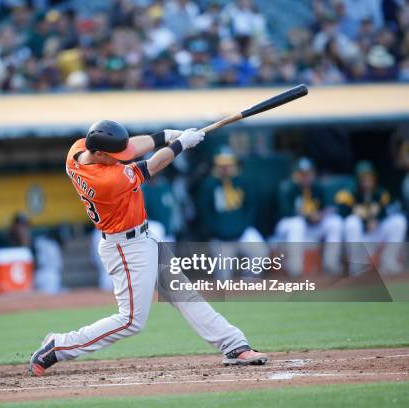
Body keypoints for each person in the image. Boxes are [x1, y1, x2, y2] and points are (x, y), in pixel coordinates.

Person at [29, 121, 268, 377]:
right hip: (126, 247)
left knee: (184, 294)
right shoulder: (107, 180)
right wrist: (180, 145)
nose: (121, 159)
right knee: (131, 321)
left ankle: (234, 345)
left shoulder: (77, 151)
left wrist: (165, 135)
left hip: (142, 238)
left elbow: (131, 148)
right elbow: (152, 165)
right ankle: (59, 347)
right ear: (99, 154)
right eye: (114, 157)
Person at [196, 146, 268, 279]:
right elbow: (205, 212)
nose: (225, 168)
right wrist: (216, 230)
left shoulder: (243, 182)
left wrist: (243, 226)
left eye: (228, 165)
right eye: (222, 165)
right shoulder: (209, 185)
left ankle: (248, 282)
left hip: (242, 233)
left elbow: (251, 208)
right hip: (220, 238)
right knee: (223, 279)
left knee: (261, 253)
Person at [275, 158, 343, 276]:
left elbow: (329, 208)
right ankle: (295, 268)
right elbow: (286, 212)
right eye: (302, 174)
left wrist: (320, 215)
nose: (306, 177)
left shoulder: (318, 188)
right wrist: (308, 217)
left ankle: (331, 264)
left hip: (311, 227)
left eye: (308, 173)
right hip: (288, 228)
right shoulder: (288, 188)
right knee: (297, 223)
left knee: (335, 222)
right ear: (296, 174)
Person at [336, 161, 407, 275]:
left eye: (369, 177)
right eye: (364, 178)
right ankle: (357, 266)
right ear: (358, 179)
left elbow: (386, 212)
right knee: (351, 222)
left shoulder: (380, 193)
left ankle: (389, 261)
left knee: (399, 220)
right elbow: (342, 215)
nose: (367, 181)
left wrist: (377, 220)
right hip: (359, 238)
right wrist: (364, 223)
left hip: (376, 234)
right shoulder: (348, 194)